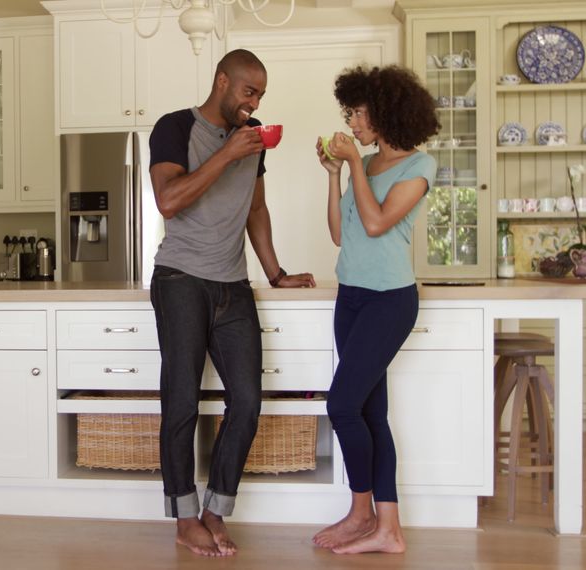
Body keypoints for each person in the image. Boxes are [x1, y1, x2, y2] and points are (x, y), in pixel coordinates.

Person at [148, 48, 316, 558]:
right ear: (222, 81)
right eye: (249, 91)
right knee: (180, 400)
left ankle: (214, 510)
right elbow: (169, 201)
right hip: (180, 279)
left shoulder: (255, 137)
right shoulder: (174, 127)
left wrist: (277, 273)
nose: (254, 103)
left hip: (232, 284)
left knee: (246, 400)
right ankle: (182, 518)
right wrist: (226, 153)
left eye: (260, 95)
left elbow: (256, 207)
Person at [313, 64, 439, 555]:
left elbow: (375, 223)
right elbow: (340, 233)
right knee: (370, 411)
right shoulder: (362, 165)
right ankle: (385, 528)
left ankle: (364, 512)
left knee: (341, 405)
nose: (353, 121)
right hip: (352, 296)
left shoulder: (419, 167)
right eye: (350, 112)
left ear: (385, 112)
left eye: (359, 112)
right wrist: (335, 173)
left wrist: (355, 167)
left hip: (390, 299)